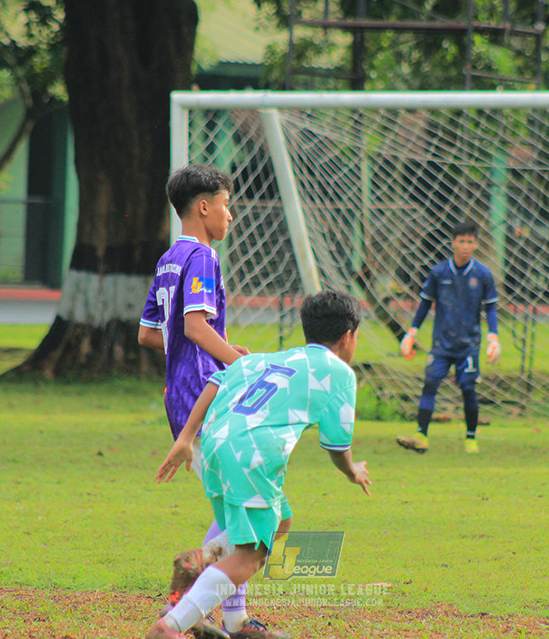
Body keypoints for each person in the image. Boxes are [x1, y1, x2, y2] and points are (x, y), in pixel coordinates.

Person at [147, 290, 372, 639]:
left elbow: (217, 380)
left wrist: (186, 438)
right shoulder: (339, 373)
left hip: (216, 443)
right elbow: (337, 445)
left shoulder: (268, 358)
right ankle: (173, 624)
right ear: (348, 336)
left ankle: (224, 601)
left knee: (281, 518)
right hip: (254, 455)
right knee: (251, 556)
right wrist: (352, 469)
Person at [140, 164, 270, 638]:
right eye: (225, 204)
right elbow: (195, 327)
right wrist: (235, 362)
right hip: (205, 393)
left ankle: (234, 620)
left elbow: (149, 333)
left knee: (233, 504)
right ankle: (191, 590)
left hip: (180, 394)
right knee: (253, 504)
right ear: (203, 207)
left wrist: (210, 351)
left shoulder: (169, 258)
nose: (230, 215)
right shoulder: (203, 258)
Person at [396, 221, 500, 455]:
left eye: (470, 242)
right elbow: (424, 304)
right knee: (430, 383)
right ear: (453, 243)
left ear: (476, 244)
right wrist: (411, 333)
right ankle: (421, 436)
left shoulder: (483, 275)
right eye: (461, 241)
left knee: (468, 388)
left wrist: (494, 337)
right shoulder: (439, 272)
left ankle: (471, 438)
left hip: (469, 344)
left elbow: (491, 308)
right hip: (441, 344)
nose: (465, 246)